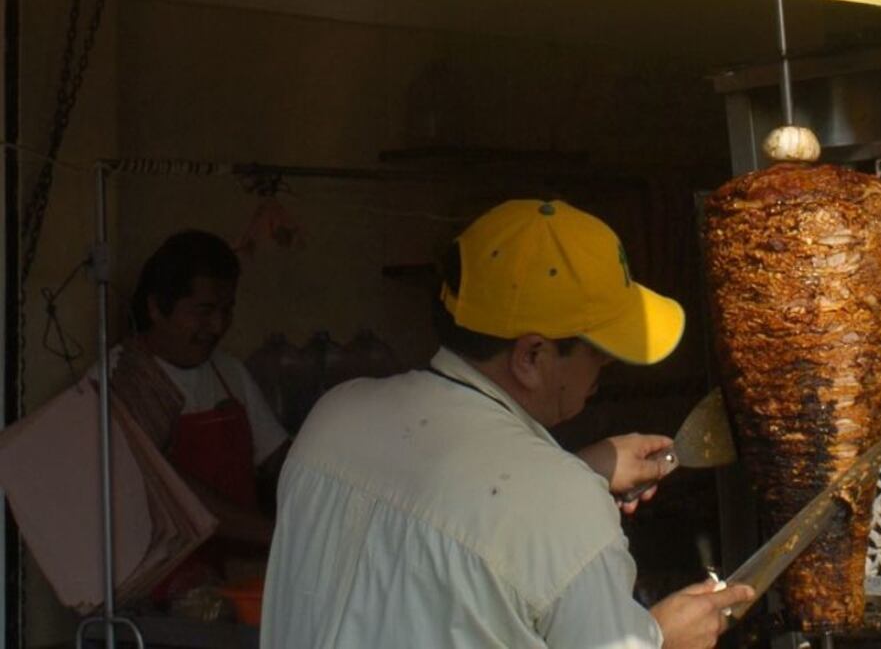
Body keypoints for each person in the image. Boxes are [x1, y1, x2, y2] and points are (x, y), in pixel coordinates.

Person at [261, 200, 752, 648]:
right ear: (532, 355)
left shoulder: (335, 415)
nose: (605, 369)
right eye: (599, 355)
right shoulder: (561, 507)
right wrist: (662, 640)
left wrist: (576, 471)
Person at [116, 230, 290, 594]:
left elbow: (281, 460)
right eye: (204, 311)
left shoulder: (230, 373)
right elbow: (166, 484)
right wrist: (276, 532)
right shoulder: (120, 381)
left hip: (239, 583)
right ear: (155, 307)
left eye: (227, 311)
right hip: (161, 595)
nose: (218, 326)